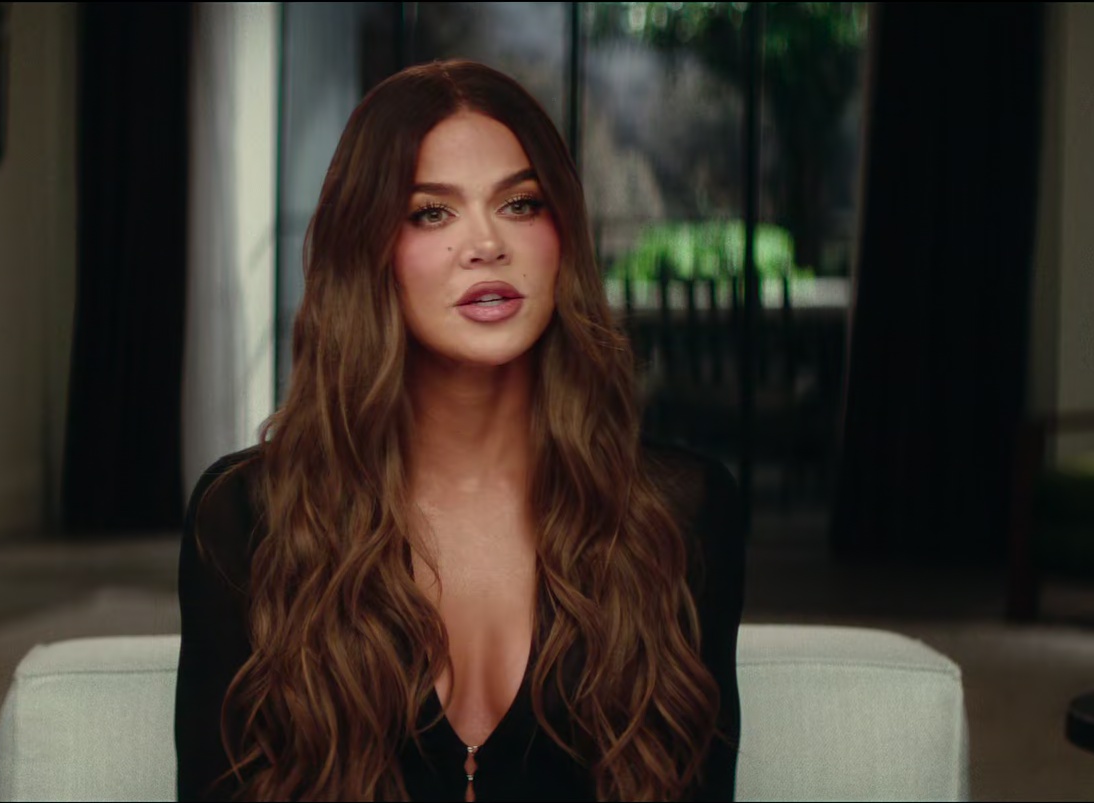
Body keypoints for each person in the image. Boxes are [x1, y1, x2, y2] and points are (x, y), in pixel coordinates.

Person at [176, 59, 747, 802]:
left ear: (562, 236)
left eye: (520, 204)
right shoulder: (250, 518)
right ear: (369, 251)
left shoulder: (678, 515)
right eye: (431, 213)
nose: (486, 243)